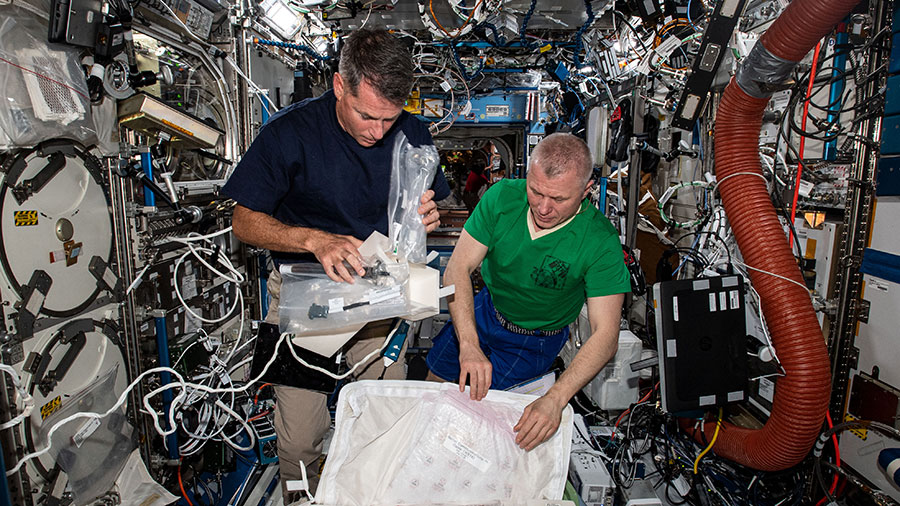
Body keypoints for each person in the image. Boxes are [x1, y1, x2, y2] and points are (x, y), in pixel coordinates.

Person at [221, 28, 450, 497]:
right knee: (302, 431)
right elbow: (243, 222)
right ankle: (302, 494)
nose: (378, 131)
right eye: (367, 115)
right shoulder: (290, 133)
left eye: (390, 118)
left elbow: (432, 201)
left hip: (380, 291)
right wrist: (312, 239)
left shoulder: (411, 131)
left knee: (381, 414)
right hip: (308, 295)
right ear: (339, 86)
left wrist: (427, 212)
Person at [425, 133, 629, 451]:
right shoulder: (502, 197)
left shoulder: (600, 241)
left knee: (490, 425)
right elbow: (457, 270)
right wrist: (468, 344)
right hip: (485, 311)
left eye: (559, 199)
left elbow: (606, 334)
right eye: (535, 191)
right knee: (435, 386)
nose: (544, 208)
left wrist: (556, 399)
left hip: (534, 340)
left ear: (586, 191)